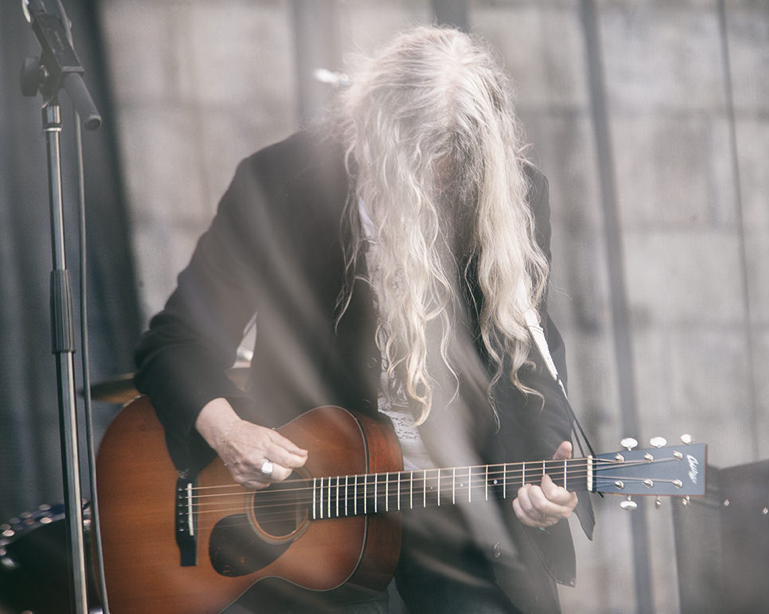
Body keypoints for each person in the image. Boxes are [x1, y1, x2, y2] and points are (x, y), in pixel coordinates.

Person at [134, 25, 592, 614]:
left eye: (454, 173)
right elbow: (177, 341)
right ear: (371, 134)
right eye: (421, 169)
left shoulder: (512, 194)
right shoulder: (279, 185)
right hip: (315, 527)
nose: (436, 188)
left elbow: (531, 346)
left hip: (467, 524)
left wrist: (549, 472)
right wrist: (229, 432)